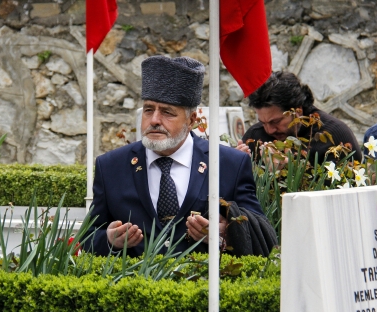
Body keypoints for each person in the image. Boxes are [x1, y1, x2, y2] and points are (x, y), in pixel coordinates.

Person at [84, 55, 276, 257]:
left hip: (205, 285)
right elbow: (87, 238)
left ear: (191, 120)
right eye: (149, 110)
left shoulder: (229, 164)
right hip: (135, 286)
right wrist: (110, 241)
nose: (155, 120)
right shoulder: (111, 166)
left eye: (167, 112)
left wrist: (225, 234)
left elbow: (258, 233)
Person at [237, 71, 363, 164]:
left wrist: (288, 172)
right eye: (263, 123)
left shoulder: (334, 134)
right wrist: (237, 166)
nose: (269, 130)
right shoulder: (255, 136)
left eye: (276, 121)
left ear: (298, 110)